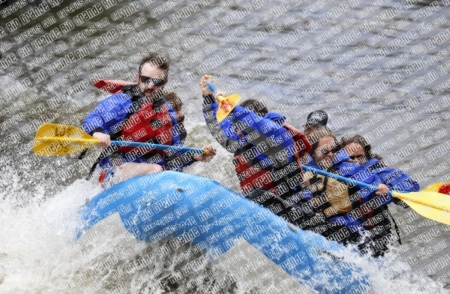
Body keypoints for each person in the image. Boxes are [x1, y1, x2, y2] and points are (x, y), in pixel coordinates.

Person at [82, 53, 215, 187]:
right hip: (116, 171)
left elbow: (172, 152)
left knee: (166, 172)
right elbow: (92, 119)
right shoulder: (122, 102)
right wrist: (98, 133)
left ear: (164, 83)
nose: (150, 85)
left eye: (157, 82)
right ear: (138, 77)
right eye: (146, 79)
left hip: (153, 173)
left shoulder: (168, 111)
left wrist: (194, 156)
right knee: (155, 170)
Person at [199, 75, 314, 224]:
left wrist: (230, 107)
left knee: (257, 195)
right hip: (263, 207)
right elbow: (221, 129)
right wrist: (208, 98)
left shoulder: (278, 137)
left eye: (240, 125)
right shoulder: (241, 139)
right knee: (252, 197)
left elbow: (257, 126)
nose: (237, 130)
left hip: (294, 209)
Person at [302, 127, 419, 257]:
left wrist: (386, 190)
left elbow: (402, 184)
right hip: (328, 225)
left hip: (364, 231)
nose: (355, 160)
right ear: (313, 154)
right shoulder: (307, 170)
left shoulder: (363, 168)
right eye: (325, 151)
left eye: (333, 150)